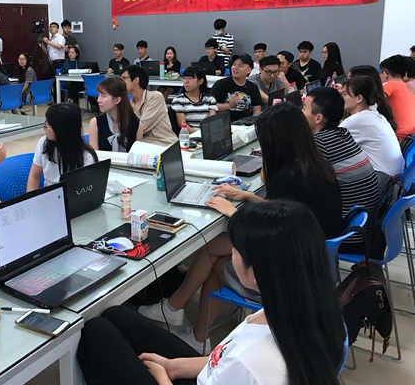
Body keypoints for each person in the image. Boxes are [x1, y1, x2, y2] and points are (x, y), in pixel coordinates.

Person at [139, 102, 343, 352]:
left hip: (290, 273)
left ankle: (188, 325)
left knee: (215, 260)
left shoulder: (288, 177)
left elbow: (272, 233)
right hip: (311, 258)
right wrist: (249, 197)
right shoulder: (314, 163)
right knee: (214, 247)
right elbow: (287, 212)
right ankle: (176, 310)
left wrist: (234, 213)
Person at [81, 200, 346, 385]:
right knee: (114, 315)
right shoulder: (303, 308)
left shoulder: (249, 360)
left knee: (95, 332)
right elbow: (222, 360)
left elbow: (235, 364)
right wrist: (173, 367)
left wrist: (162, 378)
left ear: (257, 272)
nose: (231, 252)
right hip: (218, 373)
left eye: (235, 248)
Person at [303, 87, 380, 226]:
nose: (300, 113)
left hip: (348, 227)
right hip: (364, 220)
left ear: (318, 118)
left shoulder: (319, 143)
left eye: (304, 108)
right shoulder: (343, 133)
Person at [340, 76, 403, 183]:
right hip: (394, 178)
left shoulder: (357, 120)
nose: (341, 98)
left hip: (382, 180)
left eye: (345, 94)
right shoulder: (374, 114)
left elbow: (328, 143)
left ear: (359, 98)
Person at [27, 103, 98, 189]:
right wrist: (32, 197)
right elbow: (34, 177)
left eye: (48, 124)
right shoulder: (44, 142)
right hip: (50, 195)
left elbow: (83, 190)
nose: (45, 127)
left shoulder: (86, 157)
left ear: (61, 130)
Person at [121, 65, 176, 147]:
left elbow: (141, 127)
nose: (120, 82)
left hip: (164, 145)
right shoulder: (130, 104)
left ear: (136, 80)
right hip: (144, 146)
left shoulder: (155, 97)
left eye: (124, 78)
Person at [89, 77, 143, 152]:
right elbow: (95, 155)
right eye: (99, 95)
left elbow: (137, 155)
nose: (98, 100)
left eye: (103, 96)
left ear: (117, 100)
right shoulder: (95, 123)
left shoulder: (136, 124)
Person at [209, 54, 262, 121]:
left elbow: (257, 109)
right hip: (225, 122)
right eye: (234, 64)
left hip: (245, 122)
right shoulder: (221, 84)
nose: (235, 68)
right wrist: (229, 105)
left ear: (249, 70)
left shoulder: (253, 87)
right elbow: (210, 106)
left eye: (240, 66)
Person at [379, 55, 415, 140]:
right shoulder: (407, 88)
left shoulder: (390, 84)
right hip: (411, 136)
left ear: (385, 74)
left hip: (398, 134)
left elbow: (373, 100)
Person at [171, 67, 216, 134]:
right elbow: (182, 124)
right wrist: (198, 134)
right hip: (189, 135)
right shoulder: (179, 100)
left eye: (190, 78)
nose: (186, 81)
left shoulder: (210, 99)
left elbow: (211, 121)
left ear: (200, 81)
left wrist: (206, 135)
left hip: (207, 134)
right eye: (184, 78)